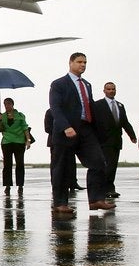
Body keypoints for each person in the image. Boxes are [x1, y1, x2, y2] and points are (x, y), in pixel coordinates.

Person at [48, 51, 113, 216]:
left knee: (98, 162)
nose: (82, 65)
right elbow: (55, 107)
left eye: (85, 62)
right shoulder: (59, 84)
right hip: (66, 130)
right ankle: (60, 203)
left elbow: (89, 106)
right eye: (79, 62)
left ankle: (96, 199)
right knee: (62, 168)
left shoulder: (87, 85)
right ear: (70, 63)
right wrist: (65, 126)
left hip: (85, 129)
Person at [92, 81, 137, 197]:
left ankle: (110, 188)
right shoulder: (98, 105)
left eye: (113, 89)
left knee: (113, 166)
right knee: (105, 166)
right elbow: (94, 123)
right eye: (109, 89)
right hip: (103, 141)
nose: (111, 91)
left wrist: (132, 135)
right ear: (104, 91)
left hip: (116, 141)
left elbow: (125, 122)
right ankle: (103, 188)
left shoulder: (120, 106)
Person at [0, 96, 32, 193]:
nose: (7, 106)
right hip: (7, 142)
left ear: (12, 104)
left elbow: (25, 128)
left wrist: (28, 140)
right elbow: (0, 129)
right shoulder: (2, 116)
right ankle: (7, 185)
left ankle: (20, 185)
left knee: (20, 163)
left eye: (8, 104)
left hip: (19, 142)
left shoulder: (20, 115)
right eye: (5, 104)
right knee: (7, 164)